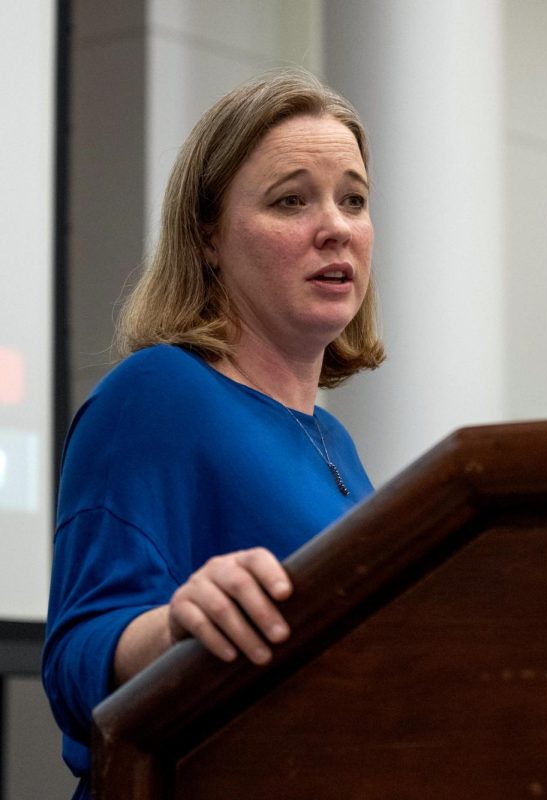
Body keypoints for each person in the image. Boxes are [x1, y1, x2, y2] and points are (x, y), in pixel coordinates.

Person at [42, 69, 384, 800]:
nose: (336, 226)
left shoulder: (339, 446)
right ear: (208, 237)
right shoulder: (159, 394)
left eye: (353, 199)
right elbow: (76, 658)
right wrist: (175, 630)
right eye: (291, 200)